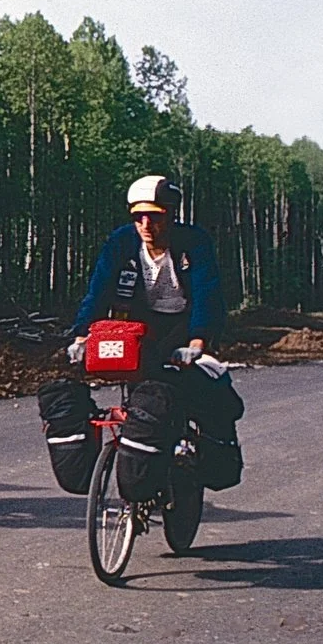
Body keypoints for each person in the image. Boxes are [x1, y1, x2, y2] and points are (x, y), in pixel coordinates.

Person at [69, 174, 243, 483]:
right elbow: (99, 290)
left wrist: (198, 341)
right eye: (139, 216)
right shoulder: (121, 242)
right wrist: (83, 335)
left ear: (171, 215)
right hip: (139, 325)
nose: (146, 225)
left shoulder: (194, 242)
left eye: (155, 216)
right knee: (140, 391)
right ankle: (140, 463)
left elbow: (207, 294)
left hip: (185, 324)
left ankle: (188, 455)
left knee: (187, 384)